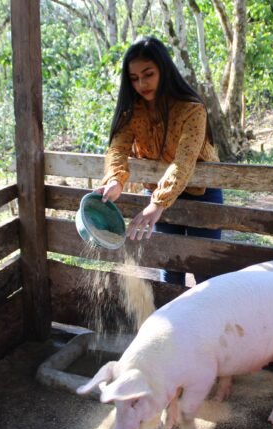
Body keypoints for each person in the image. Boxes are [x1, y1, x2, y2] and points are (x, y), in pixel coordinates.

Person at [94, 36, 223, 286]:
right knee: (168, 266)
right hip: (158, 194)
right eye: (134, 78)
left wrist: (158, 203)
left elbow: (183, 162)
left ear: (163, 69)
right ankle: (173, 323)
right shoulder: (132, 112)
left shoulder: (192, 110)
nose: (141, 83)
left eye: (148, 74)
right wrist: (115, 180)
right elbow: (117, 149)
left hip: (200, 193)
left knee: (204, 269)